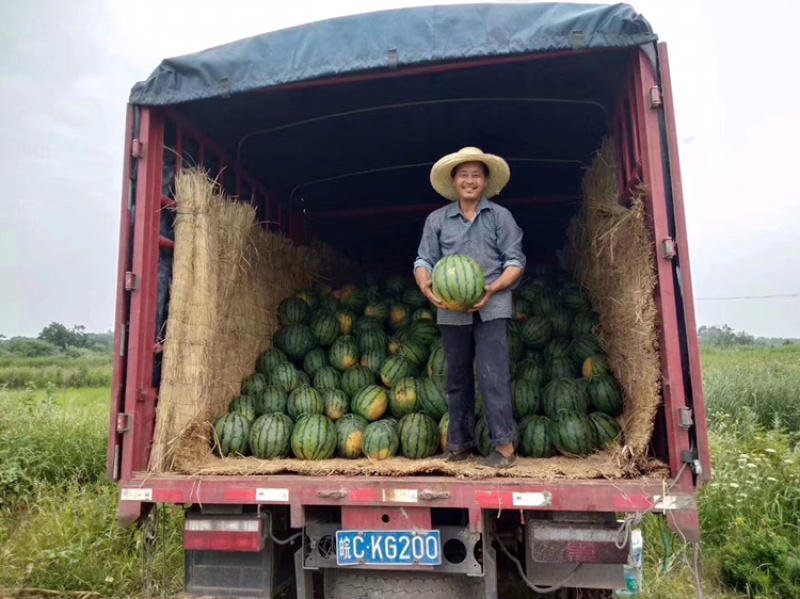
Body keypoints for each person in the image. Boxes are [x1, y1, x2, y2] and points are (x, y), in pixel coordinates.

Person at [414, 147, 526, 469]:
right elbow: (424, 260)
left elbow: (515, 261)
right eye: (463, 175)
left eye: (476, 174)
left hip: (494, 303)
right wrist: (425, 284)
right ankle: (459, 445)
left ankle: (504, 448)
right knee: (458, 377)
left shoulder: (501, 217)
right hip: (451, 308)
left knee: (494, 375)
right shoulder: (437, 220)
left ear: (486, 181)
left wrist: (493, 288)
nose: (469, 180)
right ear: (454, 180)